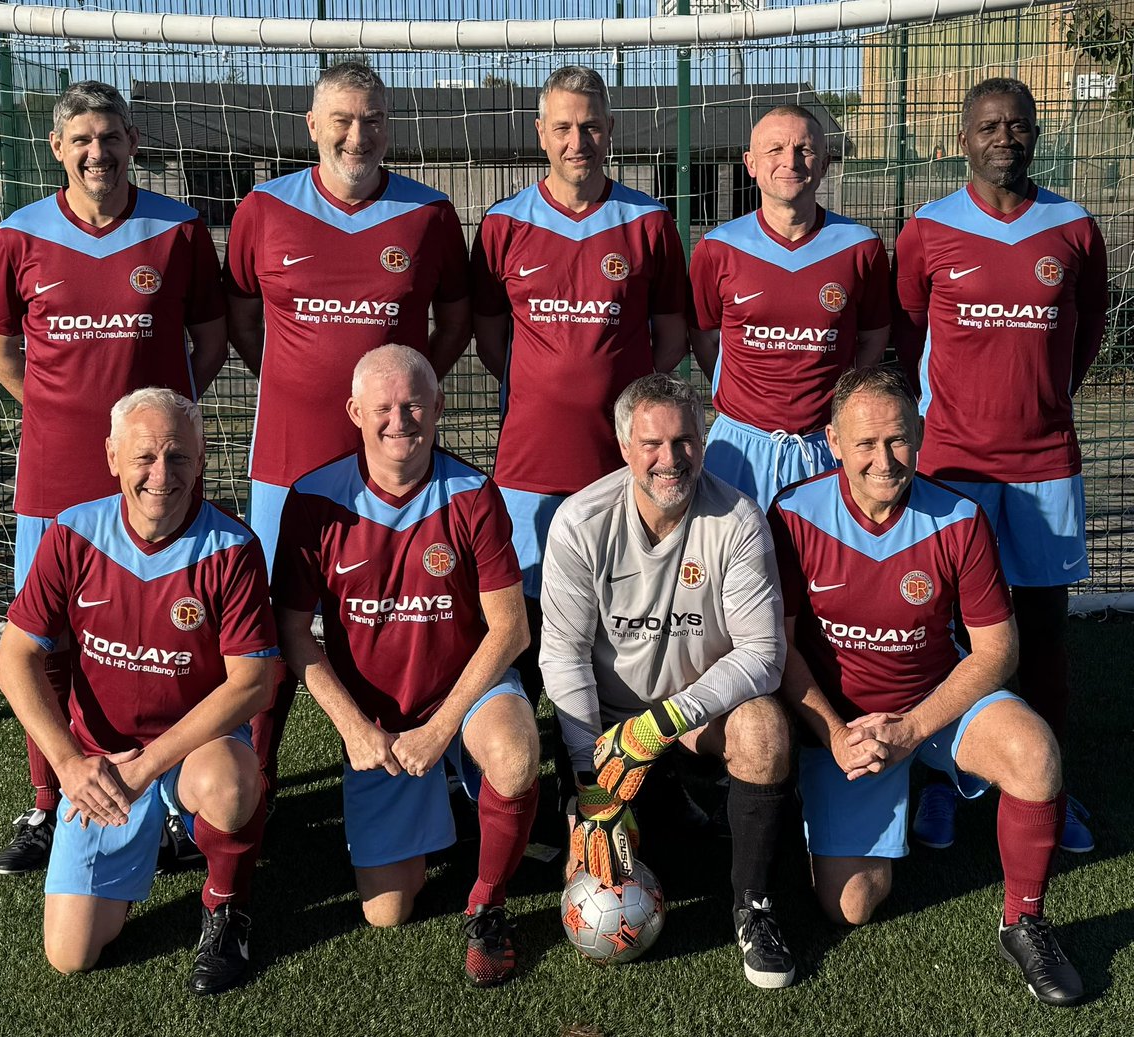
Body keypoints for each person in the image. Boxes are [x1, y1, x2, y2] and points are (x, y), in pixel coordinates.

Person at [769, 366, 1083, 1007]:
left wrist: (912, 729)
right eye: (864, 443)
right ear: (832, 442)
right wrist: (832, 736)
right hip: (847, 730)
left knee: (1035, 752)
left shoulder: (959, 518)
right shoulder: (793, 514)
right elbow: (780, 647)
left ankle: (1024, 921)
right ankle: (886, 799)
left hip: (930, 713)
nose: (884, 460)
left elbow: (998, 650)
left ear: (918, 433)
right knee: (850, 906)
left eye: (897, 440)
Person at [0, 80, 228, 875]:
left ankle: (181, 806)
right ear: (57, 149)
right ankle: (48, 800)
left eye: (111, 136)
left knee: (175, 636)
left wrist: (157, 438)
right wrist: (58, 413)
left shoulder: (179, 229)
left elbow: (210, 341)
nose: (98, 152)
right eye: (82, 138)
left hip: (157, 482)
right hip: (53, 481)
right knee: (47, 645)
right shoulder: (19, 236)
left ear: (133, 141)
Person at [223, 61, 472, 800]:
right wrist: (291, 381)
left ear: (390, 127)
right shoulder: (263, 208)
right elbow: (240, 312)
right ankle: (256, 778)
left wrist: (410, 391)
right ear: (313, 125)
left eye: (371, 120)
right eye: (342, 119)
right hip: (289, 461)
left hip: (393, 467)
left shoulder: (429, 215)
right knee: (270, 628)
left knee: (417, 617)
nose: (356, 135)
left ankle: (434, 767)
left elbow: (455, 319)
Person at [0, 388, 278, 995]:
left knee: (230, 786)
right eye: (145, 456)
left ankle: (227, 908)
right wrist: (70, 765)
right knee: (71, 955)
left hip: (188, 751)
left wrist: (150, 766)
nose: (161, 474)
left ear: (202, 461)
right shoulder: (75, 533)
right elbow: (14, 657)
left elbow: (253, 682)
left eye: (178, 457)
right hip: (102, 763)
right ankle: (155, 836)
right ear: (112, 457)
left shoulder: (233, 546)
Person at [272, 345, 539, 988]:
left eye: (414, 403)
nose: (400, 420)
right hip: (379, 719)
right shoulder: (314, 497)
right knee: (388, 912)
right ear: (354, 411)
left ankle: (488, 901)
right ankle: (445, 797)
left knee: (515, 751)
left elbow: (510, 628)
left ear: (440, 406)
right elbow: (290, 630)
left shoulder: (473, 493)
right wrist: (355, 729)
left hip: (462, 693)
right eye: (383, 407)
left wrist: (440, 728)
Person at [893, 78, 1107, 853]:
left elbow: (1087, 328)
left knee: (1044, 628)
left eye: (1017, 124)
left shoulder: (1076, 228)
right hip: (952, 465)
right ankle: (954, 781)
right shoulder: (926, 230)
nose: (1004, 137)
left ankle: (1049, 779)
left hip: (1047, 463)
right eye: (988, 126)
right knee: (947, 631)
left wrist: (1047, 398)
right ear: (964, 139)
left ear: (1036, 134)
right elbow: (908, 334)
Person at [541, 373, 795, 989]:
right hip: (608, 722)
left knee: (764, 731)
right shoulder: (580, 521)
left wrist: (666, 721)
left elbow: (764, 652)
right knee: (603, 824)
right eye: (651, 443)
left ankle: (752, 906)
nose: (669, 458)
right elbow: (564, 655)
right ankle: (631, 804)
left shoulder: (737, 518)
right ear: (624, 446)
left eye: (684, 441)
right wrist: (589, 782)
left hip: (692, 718)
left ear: (703, 443)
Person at [471, 64, 689, 707]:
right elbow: (490, 339)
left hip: (622, 463)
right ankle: (532, 763)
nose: (578, 141)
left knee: (623, 612)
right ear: (540, 132)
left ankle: (622, 770)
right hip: (528, 462)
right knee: (533, 618)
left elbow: (670, 336)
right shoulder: (503, 225)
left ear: (610, 131)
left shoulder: (648, 223)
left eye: (590, 126)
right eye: (563, 127)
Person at [690, 104, 891, 514]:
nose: (790, 161)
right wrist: (749, 399)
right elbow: (705, 337)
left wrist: (841, 405)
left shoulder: (861, 247)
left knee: (819, 574)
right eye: (775, 149)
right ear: (750, 163)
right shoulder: (717, 248)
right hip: (740, 445)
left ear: (825, 163)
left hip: (825, 444)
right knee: (732, 571)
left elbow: (873, 339)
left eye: (805, 149)